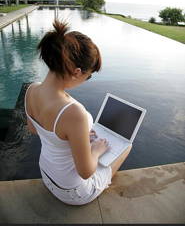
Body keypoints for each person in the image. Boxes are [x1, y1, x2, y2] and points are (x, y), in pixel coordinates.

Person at [24, 20, 132, 205]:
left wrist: (75, 136)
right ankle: (102, 179)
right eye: (88, 76)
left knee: (95, 145)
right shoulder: (74, 112)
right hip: (73, 192)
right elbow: (85, 172)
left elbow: (34, 129)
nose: (86, 79)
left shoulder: (31, 89)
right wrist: (95, 151)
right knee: (127, 146)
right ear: (77, 72)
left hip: (47, 174)